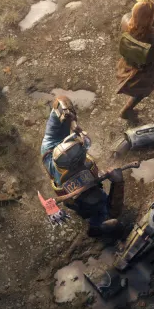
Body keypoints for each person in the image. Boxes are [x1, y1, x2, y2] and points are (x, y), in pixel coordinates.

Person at [40, 96, 125, 237]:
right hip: (79, 202)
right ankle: (97, 227)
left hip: (88, 196)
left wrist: (71, 120)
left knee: (104, 208)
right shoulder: (49, 152)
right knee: (105, 211)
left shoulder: (49, 146)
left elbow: (60, 100)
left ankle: (99, 224)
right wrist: (118, 182)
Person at [116, 0, 154, 120]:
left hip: (130, 63)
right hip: (146, 73)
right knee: (140, 92)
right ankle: (125, 111)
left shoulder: (126, 22)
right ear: (150, 18)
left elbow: (141, 23)